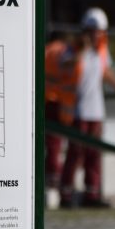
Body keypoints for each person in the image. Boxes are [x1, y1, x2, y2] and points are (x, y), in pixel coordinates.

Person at [60, 8, 115, 207]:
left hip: (96, 112)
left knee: (94, 154)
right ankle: (66, 194)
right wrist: (82, 50)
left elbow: (105, 71)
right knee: (75, 153)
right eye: (94, 31)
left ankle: (92, 194)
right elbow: (66, 66)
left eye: (100, 31)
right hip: (78, 111)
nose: (98, 35)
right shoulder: (73, 50)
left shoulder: (101, 51)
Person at [44, 34, 79, 195]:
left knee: (51, 142)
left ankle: (50, 176)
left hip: (46, 97)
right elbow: (66, 66)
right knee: (54, 142)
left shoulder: (49, 49)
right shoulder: (63, 51)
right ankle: (53, 178)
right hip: (55, 99)